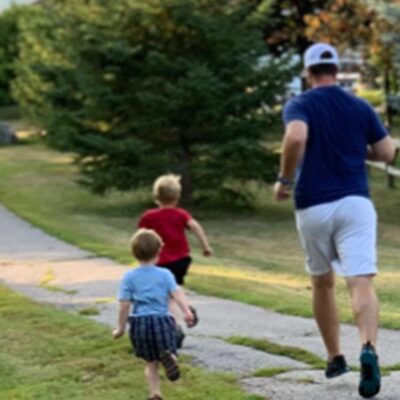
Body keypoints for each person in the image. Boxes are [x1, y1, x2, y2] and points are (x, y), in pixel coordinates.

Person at [274, 43, 396, 398]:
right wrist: (358, 149)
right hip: (356, 202)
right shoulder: (360, 106)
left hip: (313, 204)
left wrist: (284, 180)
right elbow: (387, 152)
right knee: (360, 281)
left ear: (308, 72)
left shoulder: (300, 104)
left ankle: (335, 357)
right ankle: (368, 348)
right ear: (337, 70)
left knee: (323, 282)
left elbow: (296, 136)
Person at [113, 228, 194, 400]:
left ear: (134, 253)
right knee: (168, 349)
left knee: (150, 363)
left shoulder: (129, 277)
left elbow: (124, 304)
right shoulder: (165, 274)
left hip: (140, 324)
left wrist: (120, 329)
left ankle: (155, 393)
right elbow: (177, 293)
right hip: (162, 321)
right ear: (159, 251)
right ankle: (170, 357)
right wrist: (186, 311)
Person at [138, 174, 212, 345]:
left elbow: (140, 238)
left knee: (167, 298)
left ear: (156, 196)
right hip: (181, 261)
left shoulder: (149, 217)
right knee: (175, 289)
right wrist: (205, 246)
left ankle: (175, 328)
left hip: (159, 263)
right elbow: (194, 226)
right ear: (177, 196)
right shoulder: (181, 214)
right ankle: (185, 307)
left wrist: (140, 255)